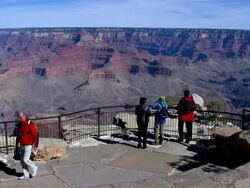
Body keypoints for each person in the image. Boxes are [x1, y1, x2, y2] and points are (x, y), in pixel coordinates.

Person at [15, 112, 39, 180]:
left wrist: (36, 144)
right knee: (22, 161)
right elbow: (18, 136)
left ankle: (34, 167)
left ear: (24, 116)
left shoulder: (30, 124)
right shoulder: (20, 125)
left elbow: (35, 134)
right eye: (19, 117)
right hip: (22, 144)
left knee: (26, 159)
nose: (21, 118)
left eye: (22, 116)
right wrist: (16, 145)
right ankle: (26, 175)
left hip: (28, 144)